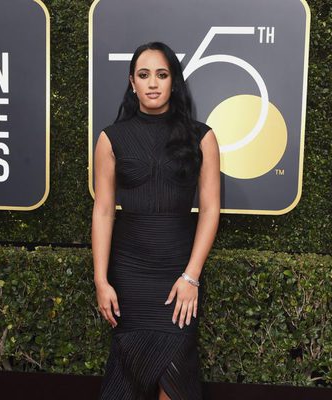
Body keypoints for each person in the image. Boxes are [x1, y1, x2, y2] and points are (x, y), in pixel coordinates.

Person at [92, 41, 220, 400]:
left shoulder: (202, 137)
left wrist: (191, 276)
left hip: (179, 276)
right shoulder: (110, 139)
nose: (152, 83)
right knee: (126, 379)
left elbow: (210, 210)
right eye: (143, 75)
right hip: (130, 276)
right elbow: (103, 210)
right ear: (131, 83)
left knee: (176, 381)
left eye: (161, 75)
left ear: (174, 82)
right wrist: (101, 280)